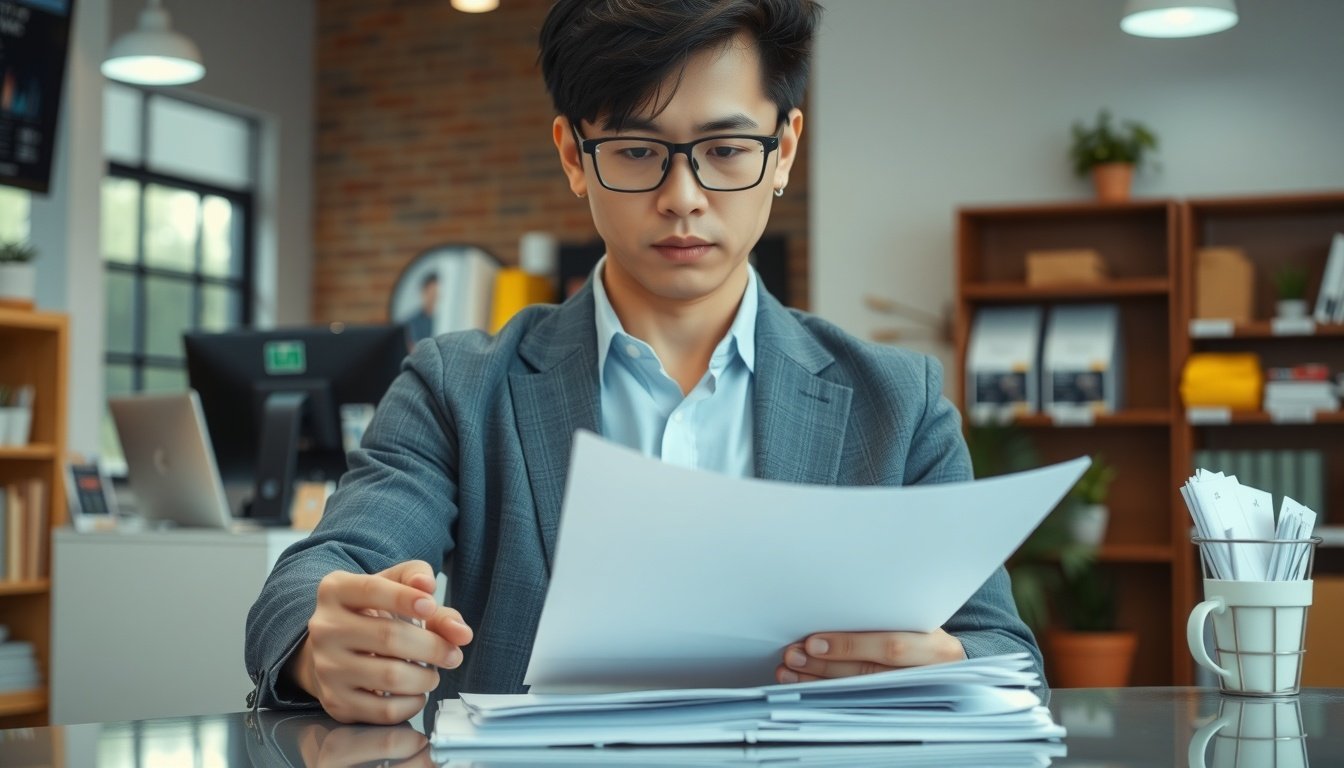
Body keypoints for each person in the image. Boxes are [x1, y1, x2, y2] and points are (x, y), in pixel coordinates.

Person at [245, 0, 1042, 726]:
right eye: (636, 151)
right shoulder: (459, 387)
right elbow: (318, 572)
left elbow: (1004, 655)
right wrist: (322, 646)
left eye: (727, 149)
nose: (684, 196)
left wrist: (950, 669)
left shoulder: (896, 403)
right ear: (573, 154)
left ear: (785, 148)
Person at [402, 271, 438, 350]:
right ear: (423, 292)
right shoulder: (412, 322)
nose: (433, 297)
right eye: (430, 292)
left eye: (435, 293)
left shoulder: (442, 319)